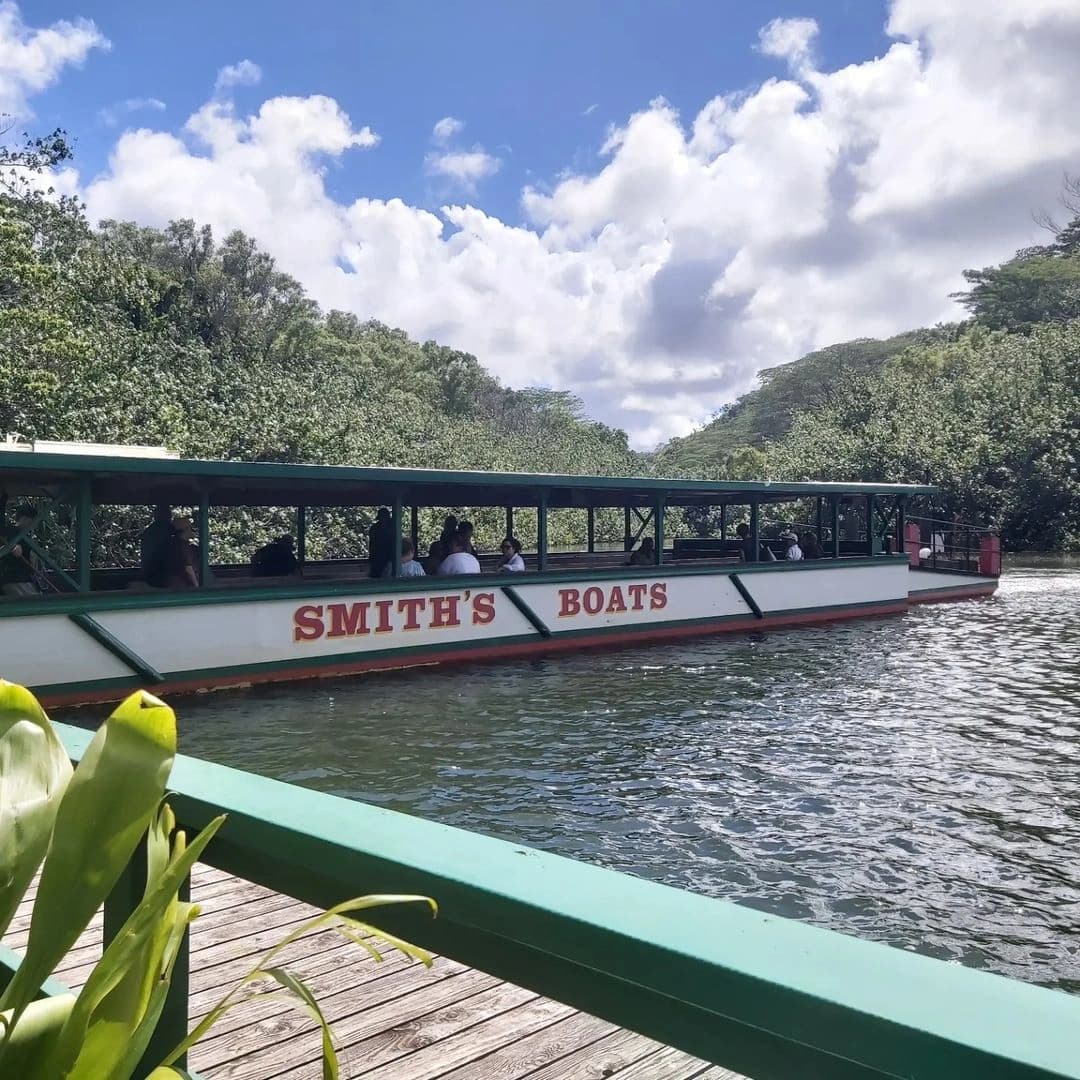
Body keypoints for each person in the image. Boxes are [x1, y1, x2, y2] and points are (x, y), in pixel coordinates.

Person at [1, 505, 39, 597]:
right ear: (23, 518)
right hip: (12, 578)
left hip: (25, 578)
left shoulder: (26, 535)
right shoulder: (9, 531)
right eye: (32, 520)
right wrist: (11, 548)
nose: (33, 524)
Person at [140, 504, 173, 586]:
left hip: (149, 572)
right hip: (164, 574)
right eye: (168, 514)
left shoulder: (148, 532)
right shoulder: (168, 530)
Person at [166, 517, 200, 589]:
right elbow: (188, 569)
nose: (192, 530)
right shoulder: (182, 546)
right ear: (184, 530)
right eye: (190, 528)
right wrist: (197, 587)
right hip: (181, 585)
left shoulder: (172, 543)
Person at [368, 507, 395, 579]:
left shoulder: (393, 527)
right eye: (381, 517)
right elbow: (372, 544)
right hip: (377, 558)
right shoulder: (374, 528)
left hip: (390, 558)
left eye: (385, 517)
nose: (383, 519)